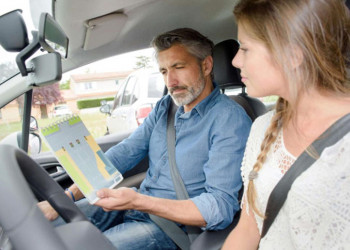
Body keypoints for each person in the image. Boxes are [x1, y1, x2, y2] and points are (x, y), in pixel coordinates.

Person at [39, 28, 252, 249]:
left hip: (173, 228)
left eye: (178, 67)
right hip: (137, 206)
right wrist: (66, 198)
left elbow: (219, 206)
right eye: (163, 71)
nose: (171, 81)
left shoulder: (230, 120)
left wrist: (140, 201)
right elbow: (125, 152)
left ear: (206, 66)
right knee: (43, 227)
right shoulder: (165, 107)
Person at [222, 0, 350, 249]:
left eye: (245, 49)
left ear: (292, 56)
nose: (236, 61)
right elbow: (249, 228)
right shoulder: (262, 128)